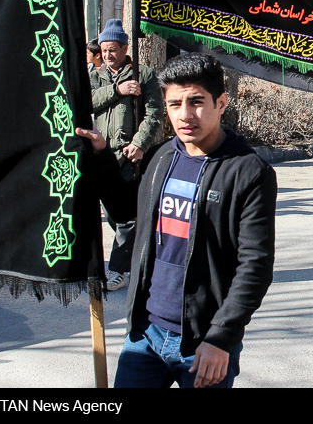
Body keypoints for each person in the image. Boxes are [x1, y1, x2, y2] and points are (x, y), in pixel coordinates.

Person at [75, 53, 276, 388]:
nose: (185, 115)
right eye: (174, 104)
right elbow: (127, 212)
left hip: (204, 342)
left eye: (196, 102)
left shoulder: (248, 172)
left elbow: (255, 266)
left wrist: (222, 338)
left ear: (221, 103)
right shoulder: (161, 157)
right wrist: (100, 155)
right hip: (145, 334)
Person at [90, 19, 165, 291]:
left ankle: (118, 269)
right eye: (104, 50)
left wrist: (140, 144)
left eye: (113, 49)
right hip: (99, 155)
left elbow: (155, 113)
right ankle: (139, 256)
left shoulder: (142, 74)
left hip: (128, 156)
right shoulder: (94, 76)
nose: (108, 55)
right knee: (112, 214)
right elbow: (83, 102)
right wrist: (116, 90)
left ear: (124, 48)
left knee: (127, 217)